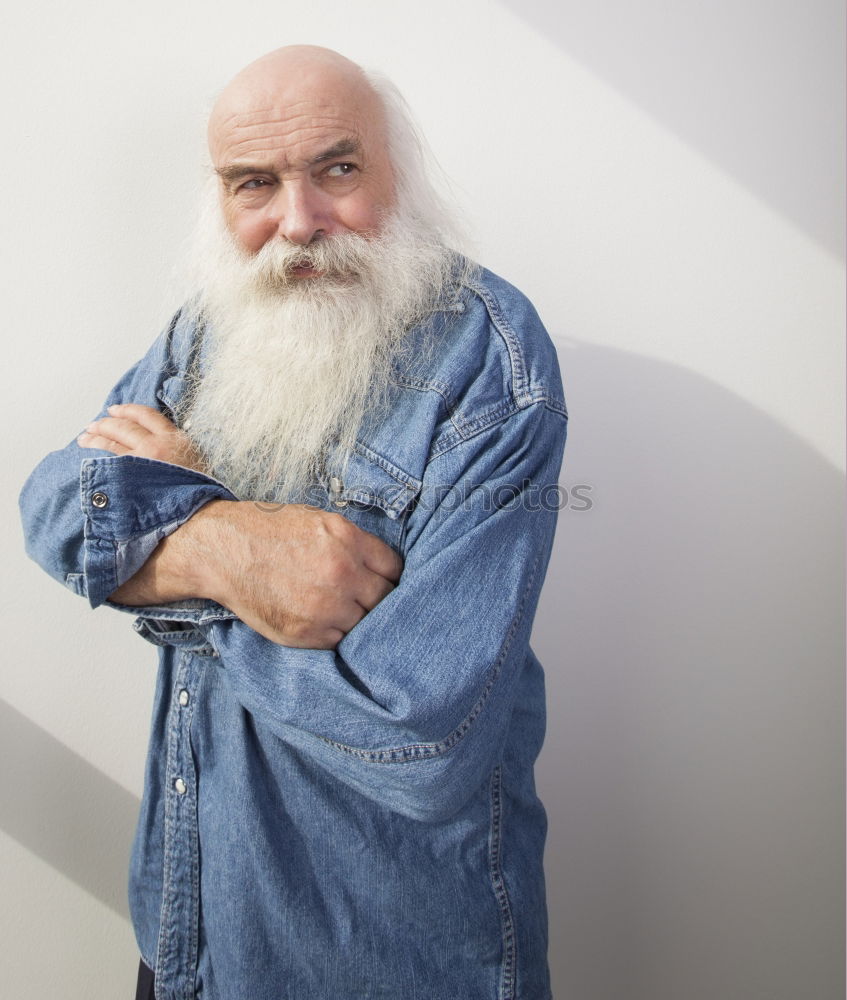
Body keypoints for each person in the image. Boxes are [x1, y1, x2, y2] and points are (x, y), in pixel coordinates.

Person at [20, 45, 567, 1000]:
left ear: (399, 168)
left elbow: (422, 742)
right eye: (254, 184)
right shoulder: (204, 331)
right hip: (188, 926)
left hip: (384, 957)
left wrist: (166, 550)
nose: (299, 221)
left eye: (337, 169)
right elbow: (57, 509)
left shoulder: (494, 358)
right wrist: (236, 549)